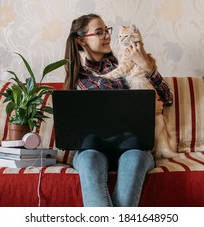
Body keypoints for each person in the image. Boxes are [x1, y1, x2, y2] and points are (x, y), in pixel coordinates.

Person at [64, 13, 173, 207]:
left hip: (133, 147)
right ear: (81, 40)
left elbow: (167, 99)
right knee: (89, 158)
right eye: (99, 32)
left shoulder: (128, 63)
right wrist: (143, 108)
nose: (107, 36)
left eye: (107, 31)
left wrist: (148, 67)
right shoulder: (78, 78)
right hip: (93, 150)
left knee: (136, 157)